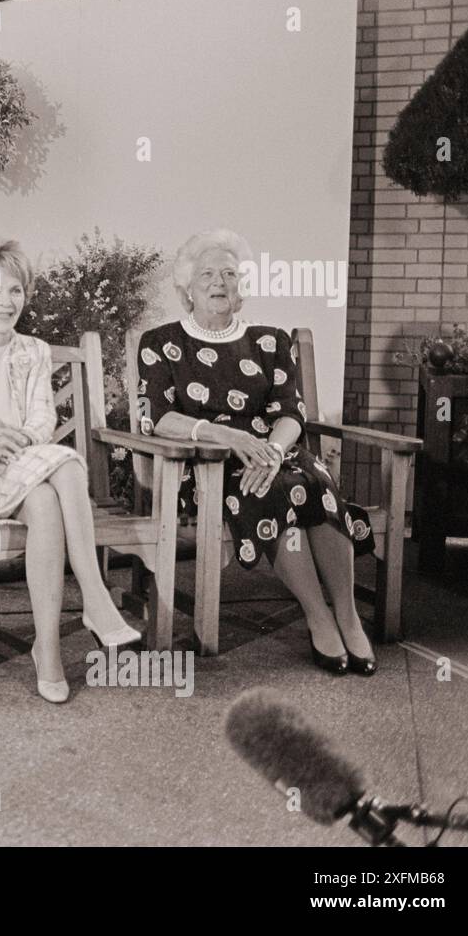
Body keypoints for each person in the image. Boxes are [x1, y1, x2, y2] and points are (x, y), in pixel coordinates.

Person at [0, 239, 142, 704]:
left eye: (15, 290)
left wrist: (22, 439)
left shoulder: (33, 350)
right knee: (64, 473)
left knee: (48, 493)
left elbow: (42, 420)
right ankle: (93, 602)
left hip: (21, 468)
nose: (5, 301)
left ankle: (50, 648)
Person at [136, 228, 377, 675]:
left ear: (242, 285)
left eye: (229, 273)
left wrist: (269, 450)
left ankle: (347, 615)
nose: (219, 282)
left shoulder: (269, 341)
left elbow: (291, 411)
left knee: (315, 482)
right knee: (278, 490)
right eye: (207, 273)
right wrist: (230, 440)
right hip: (209, 464)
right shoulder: (161, 342)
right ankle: (318, 616)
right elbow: (159, 417)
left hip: (275, 450)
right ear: (187, 287)